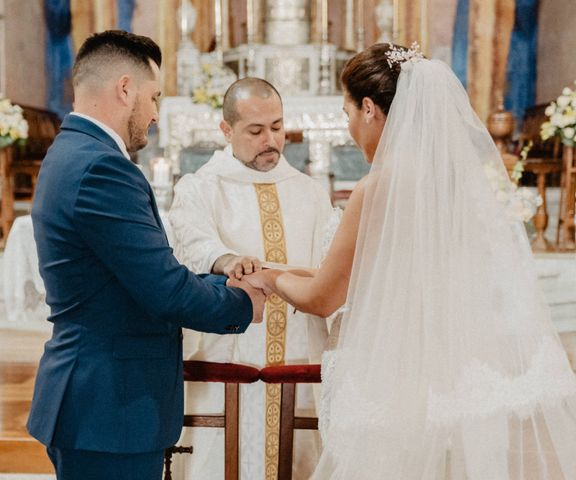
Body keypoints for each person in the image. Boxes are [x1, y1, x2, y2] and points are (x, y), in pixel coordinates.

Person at [245, 43, 576, 479]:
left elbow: (323, 297)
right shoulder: (456, 185)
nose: (348, 130)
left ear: (369, 108)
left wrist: (271, 278)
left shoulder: (377, 188)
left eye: (347, 116)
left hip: (387, 380)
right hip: (445, 379)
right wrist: (288, 270)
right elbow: (371, 275)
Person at [27, 30, 266, 480]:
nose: (156, 114)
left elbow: (130, 278)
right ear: (124, 89)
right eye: (155, 97)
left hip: (98, 401)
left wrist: (222, 281)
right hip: (110, 406)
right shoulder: (101, 166)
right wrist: (242, 302)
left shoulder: (72, 150)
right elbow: (163, 288)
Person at [168, 77, 336, 479]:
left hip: (299, 357)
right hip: (230, 356)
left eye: (277, 127)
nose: (271, 141)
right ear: (226, 131)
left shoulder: (311, 192)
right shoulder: (200, 188)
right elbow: (191, 241)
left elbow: (330, 264)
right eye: (256, 131)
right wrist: (224, 259)